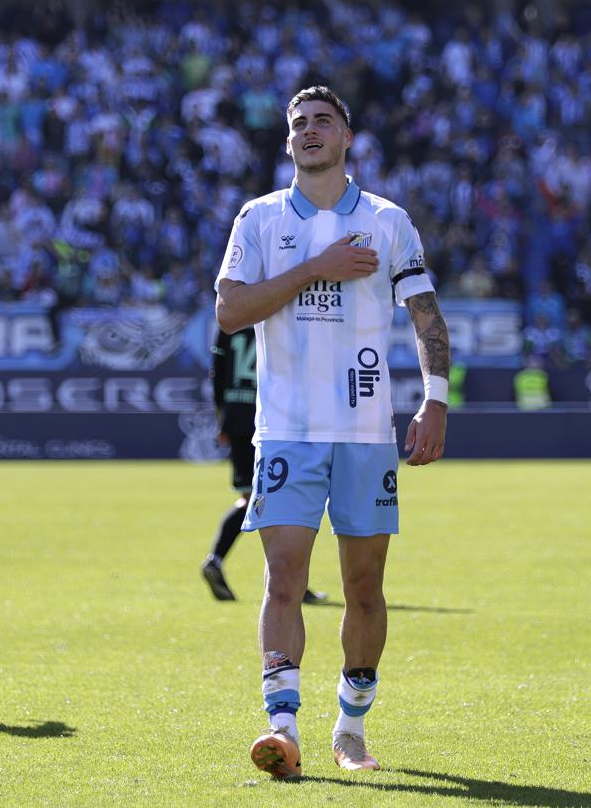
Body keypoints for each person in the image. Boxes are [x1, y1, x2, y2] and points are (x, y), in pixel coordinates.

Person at [215, 85, 450, 778]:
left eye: (323, 121)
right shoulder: (258, 219)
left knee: (365, 586)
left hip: (364, 432)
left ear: (347, 137)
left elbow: (426, 317)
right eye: (298, 124)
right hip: (285, 430)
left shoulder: (386, 221)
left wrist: (434, 401)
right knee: (283, 577)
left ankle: (350, 725)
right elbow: (230, 310)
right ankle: (282, 728)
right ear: (288, 143)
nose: (309, 131)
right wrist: (315, 267)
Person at [201, 324, 326, 605]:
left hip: (235, 417)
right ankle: (290, 578)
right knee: (284, 501)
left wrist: (221, 414)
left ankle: (220, 560)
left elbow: (217, 372)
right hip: (270, 419)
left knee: (253, 498)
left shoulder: (229, 319)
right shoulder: (274, 316)